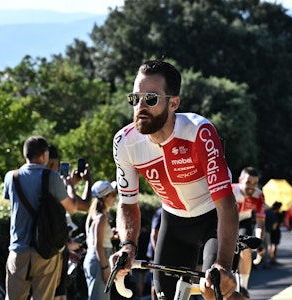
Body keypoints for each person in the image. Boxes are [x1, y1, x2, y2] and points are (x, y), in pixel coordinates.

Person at [110, 59, 240, 300]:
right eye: (135, 98)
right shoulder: (124, 142)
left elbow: (226, 204)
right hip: (174, 221)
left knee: (214, 290)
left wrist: (223, 265)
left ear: (174, 103)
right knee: (162, 295)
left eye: (150, 99)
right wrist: (128, 245)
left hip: (213, 217)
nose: (140, 106)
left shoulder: (198, 131)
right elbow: (128, 203)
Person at [2, 136, 79, 300]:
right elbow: (72, 208)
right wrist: (70, 185)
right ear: (45, 155)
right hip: (45, 251)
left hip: (18, 249)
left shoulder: (11, 177)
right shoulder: (51, 177)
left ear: (25, 154)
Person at [47, 145, 93, 300]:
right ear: (53, 163)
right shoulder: (55, 182)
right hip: (55, 251)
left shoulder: (34, 181)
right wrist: (87, 181)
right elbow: (83, 205)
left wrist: (71, 184)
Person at [232, 167, 265, 298]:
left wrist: (258, 242)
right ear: (240, 180)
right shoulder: (230, 190)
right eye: (248, 182)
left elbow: (260, 222)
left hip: (244, 221)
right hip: (227, 221)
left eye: (255, 183)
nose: (252, 187)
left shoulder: (259, 194)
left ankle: (244, 287)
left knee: (246, 247)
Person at [83, 180, 117, 300]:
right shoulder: (101, 217)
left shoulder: (98, 216)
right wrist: (105, 268)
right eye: (113, 194)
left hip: (97, 259)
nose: (115, 197)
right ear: (104, 197)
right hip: (99, 260)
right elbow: (98, 245)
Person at [147, 207, 162, 300]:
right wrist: (158, 253)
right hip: (156, 254)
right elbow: (153, 234)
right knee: (155, 281)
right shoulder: (160, 212)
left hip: (164, 252)